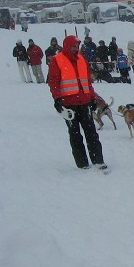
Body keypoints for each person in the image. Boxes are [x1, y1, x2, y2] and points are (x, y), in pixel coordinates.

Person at [47, 35, 106, 170]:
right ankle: (82, 163)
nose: (76, 49)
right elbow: (54, 82)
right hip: (69, 105)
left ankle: (98, 161)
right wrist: (57, 99)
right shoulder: (57, 60)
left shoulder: (81, 60)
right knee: (75, 135)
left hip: (84, 102)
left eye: (77, 46)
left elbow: (87, 82)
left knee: (91, 133)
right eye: (74, 46)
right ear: (67, 46)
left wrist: (92, 98)